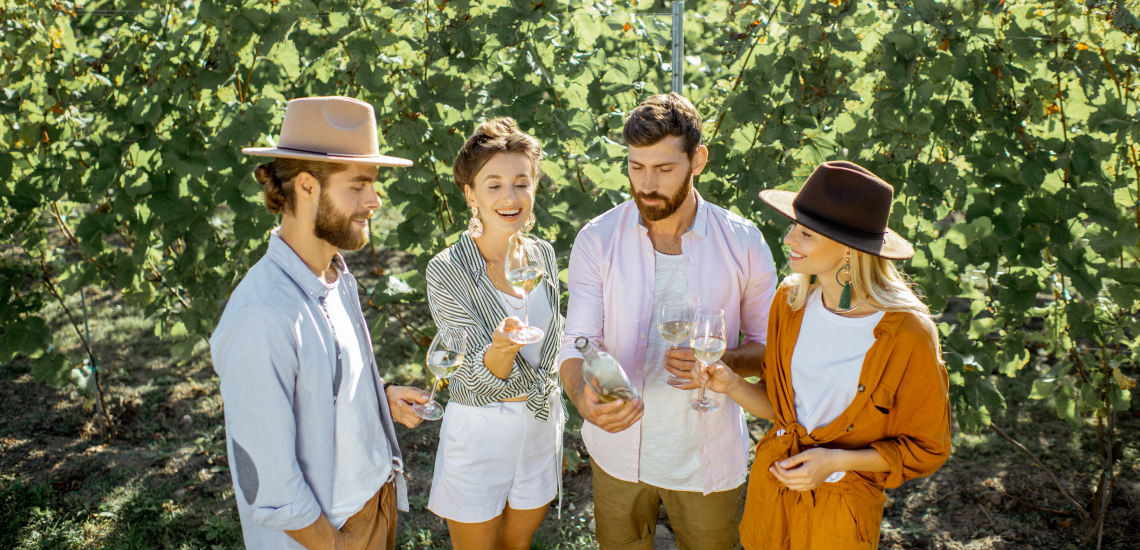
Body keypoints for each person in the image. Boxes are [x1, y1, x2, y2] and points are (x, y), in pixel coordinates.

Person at [557, 92, 779, 550]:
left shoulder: (744, 243)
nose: (647, 184)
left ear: (698, 159)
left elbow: (769, 347)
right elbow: (578, 341)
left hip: (708, 458)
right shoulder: (597, 240)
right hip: (618, 453)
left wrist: (727, 362)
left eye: (663, 168)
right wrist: (582, 396)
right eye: (637, 167)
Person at [210, 96, 431, 550]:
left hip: (374, 504)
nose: (375, 199)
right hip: (327, 534)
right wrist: (334, 544)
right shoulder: (263, 314)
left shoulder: (333, 275)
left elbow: (320, 381)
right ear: (307, 187)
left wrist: (376, 396)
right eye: (359, 185)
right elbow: (268, 481)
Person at [701, 161, 952, 549]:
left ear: (848, 251)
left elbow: (927, 448)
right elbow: (781, 409)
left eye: (805, 233)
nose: (789, 240)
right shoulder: (791, 302)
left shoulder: (906, 334)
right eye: (794, 227)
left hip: (840, 512)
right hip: (773, 492)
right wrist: (730, 383)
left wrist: (835, 461)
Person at [423, 118, 566, 550]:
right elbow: (467, 382)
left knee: (517, 546)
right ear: (470, 195)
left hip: (541, 424)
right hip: (482, 432)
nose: (510, 196)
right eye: (494, 184)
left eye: (522, 183)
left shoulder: (541, 253)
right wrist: (502, 348)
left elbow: (552, 344)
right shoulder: (447, 270)